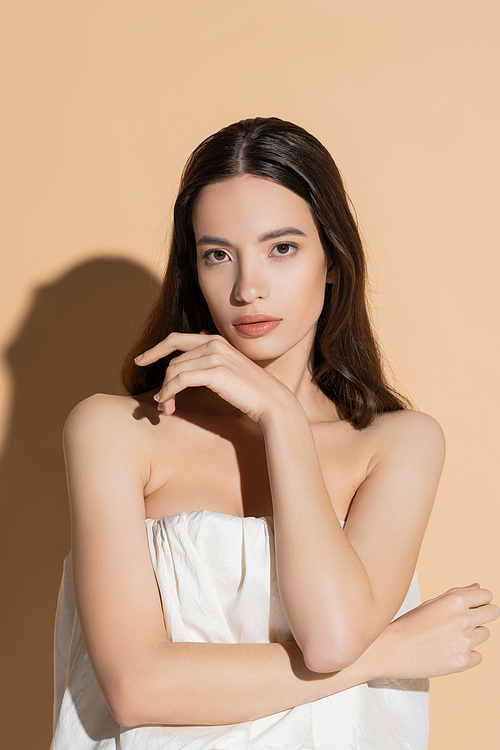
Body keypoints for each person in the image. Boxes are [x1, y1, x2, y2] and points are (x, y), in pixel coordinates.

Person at [51, 117, 498, 749]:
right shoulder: (116, 431)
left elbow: (330, 636)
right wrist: (387, 652)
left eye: (281, 248)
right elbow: (136, 688)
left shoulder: (398, 446)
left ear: (333, 262)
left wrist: (282, 420)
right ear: (195, 271)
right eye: (218, 255)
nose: (247, 288)